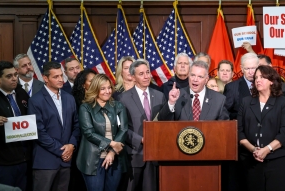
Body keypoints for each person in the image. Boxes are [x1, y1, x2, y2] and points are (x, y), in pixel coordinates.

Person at [238, 65, 285, 191]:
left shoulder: (283, 102)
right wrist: (254, 150)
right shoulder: (246, 102)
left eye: (262, 77)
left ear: (272, 81)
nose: (258, 80)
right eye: (256, 77)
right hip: (252, 160)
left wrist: (267, 149)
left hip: (278, 161)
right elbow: (239, 131)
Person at [28, 61, 80, 191]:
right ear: (45, 78)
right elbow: (39, 132)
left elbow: (77, 125)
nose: (61, 79)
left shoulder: (69, 98)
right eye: (55, 77)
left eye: (61, 75)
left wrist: (71, 145)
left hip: (66, 161)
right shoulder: (35, 101)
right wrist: (62, 150)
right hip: (45, 162)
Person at [118, 59, 166, 191]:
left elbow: (165, 123)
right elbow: (122, 128)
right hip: (134, 154)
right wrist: (141, 140)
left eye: (147, 72)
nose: (146, 76)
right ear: (133, 77)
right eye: (141, 74)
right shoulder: (123, 98)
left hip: (156, 155)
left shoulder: (160, 96)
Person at [77, 74, 128, 191]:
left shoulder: (118, 106)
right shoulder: (85, 108)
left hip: (115, 158)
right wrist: (112, 143)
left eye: (109, 87)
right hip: (93, 160)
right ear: (95, 89)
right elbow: (88, 133)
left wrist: (112, 151)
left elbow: (123, 129)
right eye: (103, 88)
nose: (107, 91)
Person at [159, 60, 229, 121]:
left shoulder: (219, 100)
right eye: (192, 75)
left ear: (206, 79)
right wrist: (171, 103)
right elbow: (162, 121)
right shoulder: (178, 95)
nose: (195, 79)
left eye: (200, 77)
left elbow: (224, 128)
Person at [0, 61, 32, 191]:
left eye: (15, 75)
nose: (14, 78)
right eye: (9, 76)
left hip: (25, 159)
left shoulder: (21, 93)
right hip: (4, 162)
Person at [224, 53, 259, 120]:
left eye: (253, 68)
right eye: (247, 68)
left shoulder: (265, 84)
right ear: (242, 68)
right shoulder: (232, 87)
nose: (251, 72)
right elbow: (225, 112)